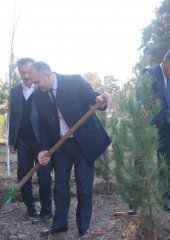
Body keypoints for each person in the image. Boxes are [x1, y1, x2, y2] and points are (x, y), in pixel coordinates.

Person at [29, 62, 111, 238]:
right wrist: (43, 149)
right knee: (60, 187)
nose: (35, 85)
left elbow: (94, 98)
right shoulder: (39, 95)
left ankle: (83, 227)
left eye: (37, 81)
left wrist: (101, 100)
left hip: (83, 144)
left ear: (48, 76)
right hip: (60, 146)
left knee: (83, 187)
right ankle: (59, 225)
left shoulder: (74, 81)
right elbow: (42, 125)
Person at [128, 50, 170, 214]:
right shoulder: (149, 72)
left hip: (168, 127)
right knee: (140, 162)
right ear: (164, 61)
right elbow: (140, 94)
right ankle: (134, 202)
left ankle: (164, 200)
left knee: (165, 164)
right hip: (149, 125)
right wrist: (140, 105)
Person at [8, 58, 52, 224]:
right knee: (23, 175)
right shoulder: (14, 91)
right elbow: (13, 117)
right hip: (23, 141)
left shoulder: (42, 88)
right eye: (22, 72)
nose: (25, 76)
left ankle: (47, 210)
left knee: (44, 176)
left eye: (28, 72)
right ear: (18, 72)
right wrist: (12, 140)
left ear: (34, 71)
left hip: (42, 141)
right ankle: (31, 206)